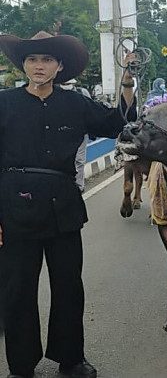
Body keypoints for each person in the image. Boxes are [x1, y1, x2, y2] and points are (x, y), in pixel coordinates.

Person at [0, 31, 137, 378]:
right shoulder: (4, 103)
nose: (39, 66)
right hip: (14, 205)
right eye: (32, 60)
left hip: (63, 206)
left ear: (60, 66)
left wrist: (127, 82)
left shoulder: (76, 104)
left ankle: (70, 358)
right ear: (23, 65)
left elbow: (119, 123)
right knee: (17, 290)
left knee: (68, 286)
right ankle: (20, 364)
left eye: (46, 60)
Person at [59, 79, 92, 192]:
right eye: (64, 83)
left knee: (79, 159)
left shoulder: (82, 93)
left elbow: (90, 111)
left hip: (80, 132)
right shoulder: (55, 93)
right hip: (60, 132)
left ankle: (79, 186)